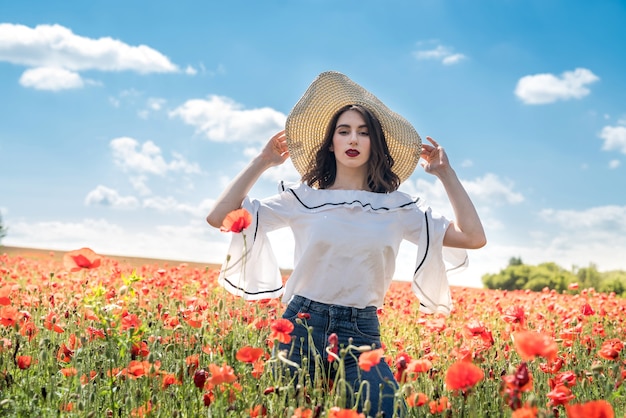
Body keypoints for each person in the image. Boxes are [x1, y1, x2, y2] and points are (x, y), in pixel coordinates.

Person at [206, 71, 486, 417]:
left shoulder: (397, 208)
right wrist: (261, 162)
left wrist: (446, 174)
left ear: (375, 145)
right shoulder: (303, 199)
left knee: (388, 411)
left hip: (361, 329)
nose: (353, 139)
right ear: (331, 143)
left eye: (364, 132)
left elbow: (473, 237)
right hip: (302, 324)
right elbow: (220, 216)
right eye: (344, 131)